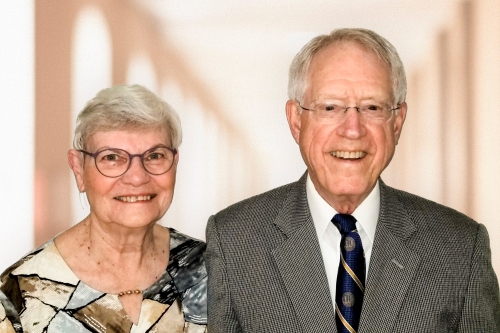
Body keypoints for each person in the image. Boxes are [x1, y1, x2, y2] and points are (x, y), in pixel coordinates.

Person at [205, 28, 500, 332]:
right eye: (330, 107)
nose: (352, 129)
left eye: (372, 107)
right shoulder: (233, 241)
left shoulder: (461, 248)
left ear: (397, 122)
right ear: (296, 121)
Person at [0, 84, 207, 332]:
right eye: (111, 158)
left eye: (155, 156)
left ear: (174, 163)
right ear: (78, 169)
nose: (137, 177)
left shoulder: (211, 269)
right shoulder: (19, 295)